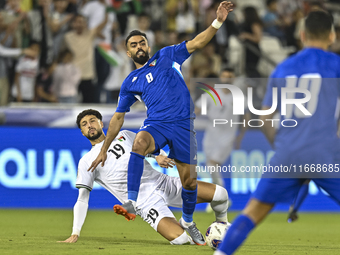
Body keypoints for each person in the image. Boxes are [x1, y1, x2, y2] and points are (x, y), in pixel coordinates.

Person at [88, 1, 233, 246]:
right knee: (140, 143)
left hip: (184, 125)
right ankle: (131, 201)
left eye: (141, 42)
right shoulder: (130, 82)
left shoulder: (168, 55)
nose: (138, 47)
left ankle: (187, 220)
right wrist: (103, 149)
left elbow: (197, 42)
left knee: (189, 182)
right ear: (128, 53)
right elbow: (118, 118)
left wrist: (217, 21)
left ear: (148, 45)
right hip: (157, 124)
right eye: (133, 45)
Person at [215, 11, 340, 255]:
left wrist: (285, 149)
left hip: (288, 153)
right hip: (326, 153)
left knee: (252, 212)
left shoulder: (283, 68)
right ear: (332, 36)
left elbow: (263, 118)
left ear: (302, 36)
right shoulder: (335, 65)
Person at [58, 109, 230, 245]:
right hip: (145, 202)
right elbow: (82, 199)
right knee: (180, 240)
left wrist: (157, 156)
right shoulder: (86, 161)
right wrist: (75, 232)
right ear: (82, 132)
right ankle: (192, 230)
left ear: (101, 123)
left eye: (92, 120)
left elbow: (146, 147)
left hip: (162, 182)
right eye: (84, 124)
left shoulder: (123, 134)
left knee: (221, 194)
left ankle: (222, 226)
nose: (90, 125)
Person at [239, 6, 263, 78]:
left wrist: (247, 35)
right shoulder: (246, 23)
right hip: (248, 49)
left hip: (253, 50)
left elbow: (258, 38)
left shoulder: (254, 24)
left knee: (252, 69)